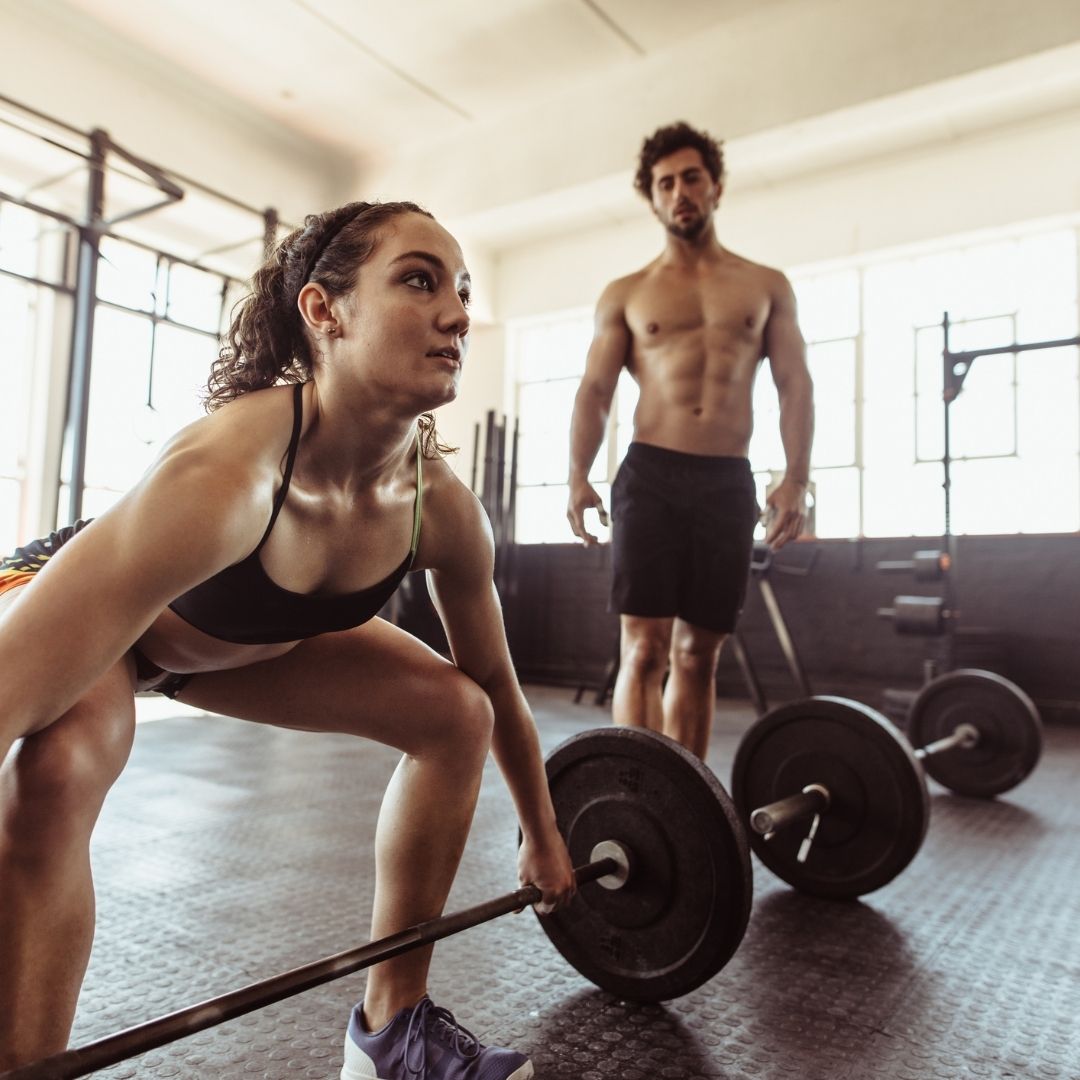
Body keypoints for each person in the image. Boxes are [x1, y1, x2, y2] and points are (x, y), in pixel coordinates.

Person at [0, 200, 573, 1080]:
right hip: (84, 613)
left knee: (454, 713)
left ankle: (393, 1035)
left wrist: (543, 831)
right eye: (419, 280)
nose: (457, 312)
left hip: (233, 649)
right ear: (323, 310)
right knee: (61, 765)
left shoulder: (440, 508)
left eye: (461, 290)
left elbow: (494, 684)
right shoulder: (226, 476)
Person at [566, 121, 814, 760]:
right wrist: (577, 474)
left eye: (692, 178)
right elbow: (595, 391)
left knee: (698, 656)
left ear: (716, 187)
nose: (680, 192)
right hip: (649, 477)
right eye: (665, 182)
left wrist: (796, 476)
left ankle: (688, 805)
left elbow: (794, 383)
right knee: (643, 649)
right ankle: (640, 789)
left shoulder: (765, 286)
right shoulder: (626, 293)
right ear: (652, 198)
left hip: (726, 480)